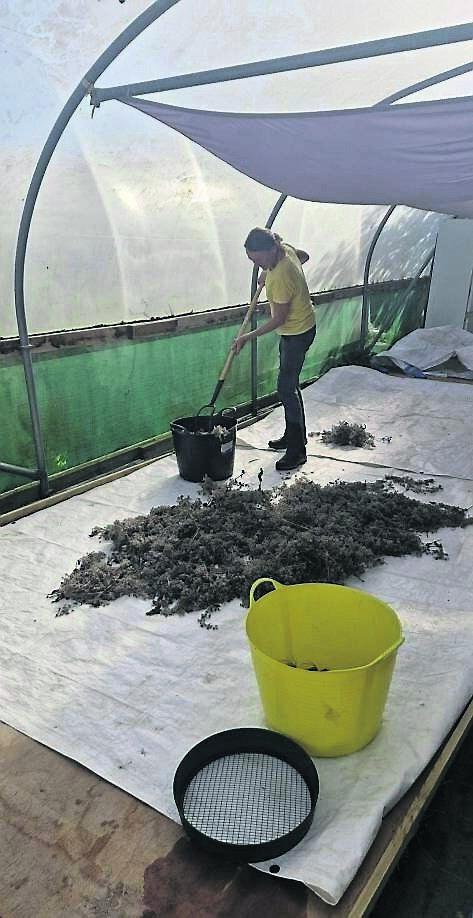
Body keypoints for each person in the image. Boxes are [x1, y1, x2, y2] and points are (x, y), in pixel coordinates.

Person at [232, 227, 316, 471]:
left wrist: (248, 336)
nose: (256, 265)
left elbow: (279, 319)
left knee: (286, 388)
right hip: (300, 327)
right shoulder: (284, 249)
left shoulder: (280, 278)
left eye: (257, 260)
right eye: (251, 261)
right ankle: (293, 436)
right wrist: (266, 273)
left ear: (270, 250)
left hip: (296, 333)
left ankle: (297, 451)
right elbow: (304, 256)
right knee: (290, 386)